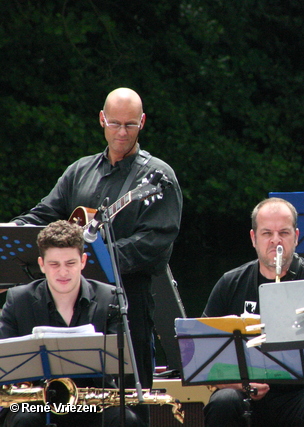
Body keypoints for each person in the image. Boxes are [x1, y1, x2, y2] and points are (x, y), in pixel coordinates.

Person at [10, 88, 183, 423]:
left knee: (127, 408)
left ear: (143, 123)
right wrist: (11, 230)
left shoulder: (158, 177)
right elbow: (44, 215)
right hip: (67, 306)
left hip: (126, 305)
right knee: (52, 409)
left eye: (130, 125)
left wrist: (92, 258)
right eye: (115, 123)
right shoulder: (79, 171)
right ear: (102, 120)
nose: (122, 132)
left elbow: (154, 245)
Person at [201, 197, 304, 427]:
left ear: (296, 237)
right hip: (248, 393)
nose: (276, 241)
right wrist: (241, 385)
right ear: (253, 238)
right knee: (223, 401)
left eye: (284, 233)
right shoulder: (230, 283)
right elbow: (204, 357)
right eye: (267, 233)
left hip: (302, 394)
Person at [0, 221, 143, 427]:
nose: (63, 272)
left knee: (126, 421)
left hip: (93, 403)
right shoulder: (18, 299)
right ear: (41, 264)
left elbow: (120, 365)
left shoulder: (109, 298)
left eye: (70, 263)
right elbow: (6, 364)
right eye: (54, 264)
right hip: (37, 403)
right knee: (24, 420)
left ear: (83, 261)